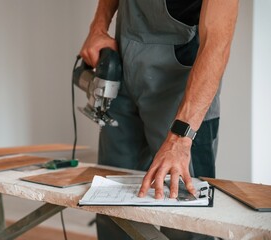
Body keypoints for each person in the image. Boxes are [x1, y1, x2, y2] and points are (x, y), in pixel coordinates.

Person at [80, 0, 238, 239]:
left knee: (186, 218)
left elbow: (217, 45)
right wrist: (98, 29)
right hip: (125, 72)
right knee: (112, 206)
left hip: (181, 94)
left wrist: (180, 138)